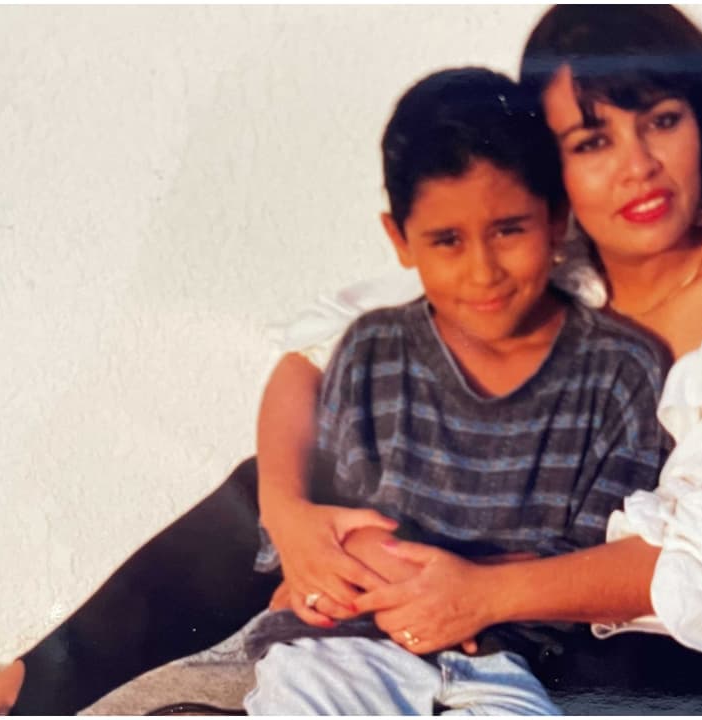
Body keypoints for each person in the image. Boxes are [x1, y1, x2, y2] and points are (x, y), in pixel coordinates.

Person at [0, 5, 702, 716]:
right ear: (551, 180)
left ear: (700, 127)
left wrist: (480, 592)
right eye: (592, 140)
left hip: (666, 658)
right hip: (497, 620)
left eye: (659, 122)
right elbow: (314, 352)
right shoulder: (548, 264)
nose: (634, 164)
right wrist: (293, 524)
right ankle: (36, 687)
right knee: (300, 479)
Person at [241, 66, 674, 714]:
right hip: (348, 644)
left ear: (556, 220)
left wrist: (464, 587)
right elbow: (333, 535)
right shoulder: (372, 351)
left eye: (509, 230)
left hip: (511, 661)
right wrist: (349, 561)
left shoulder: (620, 372)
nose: (483, 271)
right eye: (446, 240)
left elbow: (591, 559)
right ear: (400, 241)